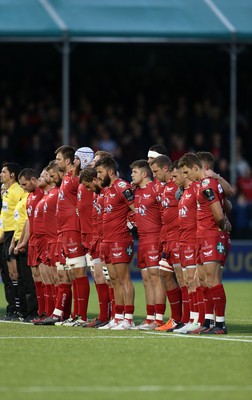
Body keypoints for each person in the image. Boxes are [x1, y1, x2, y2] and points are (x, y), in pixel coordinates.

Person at [178, 152, 231, 334]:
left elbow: (217, 211)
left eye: (186, 172)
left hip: (210, 236)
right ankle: (207, 322)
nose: (186, 176)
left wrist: (221, 226)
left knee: (212, 279)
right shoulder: (202, 185)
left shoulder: (208, 184)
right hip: (201, 237)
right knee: (202, 281)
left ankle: (220, 323)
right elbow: (226, 204)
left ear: (195, 168)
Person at [95, 156, 135, 330]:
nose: (98, 176)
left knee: (123, 278)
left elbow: (136, 210)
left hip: (120, 239)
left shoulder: (122, 187)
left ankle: (129, 318)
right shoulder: (106, 190)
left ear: (110, 172)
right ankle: (117, 317)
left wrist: (130, 223)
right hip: (108, 240)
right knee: (113, 279)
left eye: (100, 172)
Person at [130, 159, 166, 330]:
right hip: (142, 239)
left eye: (134, 172)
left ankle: (158, 319)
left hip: (154, 238)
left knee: (155, 277)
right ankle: (150, 317)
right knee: (146, 279)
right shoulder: (135, 191)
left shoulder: (156, 189)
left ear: (144, 174)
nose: (131, 175)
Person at [150, 155, 183, 332]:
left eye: (156, 171)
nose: (154, 175)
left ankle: (186, 319)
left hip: (178, 238)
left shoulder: (178, 186)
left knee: (184, 279)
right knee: (164, 274)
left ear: (165, 168)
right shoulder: (164, 188)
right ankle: (177, 318)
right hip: (167, 239)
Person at [79, 166, 111, 328]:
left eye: (87, 185)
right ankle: (105, 315)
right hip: (93, 239)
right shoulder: (97, 194)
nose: (87, 189)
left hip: (104, 238)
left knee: (107, 278)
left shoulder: (106, 192)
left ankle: (111, 316)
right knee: (99, 277)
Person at [17, 168, 45, 321]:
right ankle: (41, 312)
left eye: (24, 184)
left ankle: (50, 311)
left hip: (44, 241)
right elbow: (29, 222)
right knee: (36, 278)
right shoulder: (29, 198)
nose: (23, 187)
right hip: (33, 242)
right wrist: (23, 242)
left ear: (33, 180)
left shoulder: (42, 194)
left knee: (47, 278)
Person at [0, 163, 25, 320]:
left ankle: (19, 308)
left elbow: (20, 214)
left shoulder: (18, 191)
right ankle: (12, 308)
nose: (1, 174)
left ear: (12, 175)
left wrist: (16, 237)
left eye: (3, 172)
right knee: (8, 274)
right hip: (6, 234)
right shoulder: (7, 192)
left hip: (13, 234)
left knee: (15, 274)